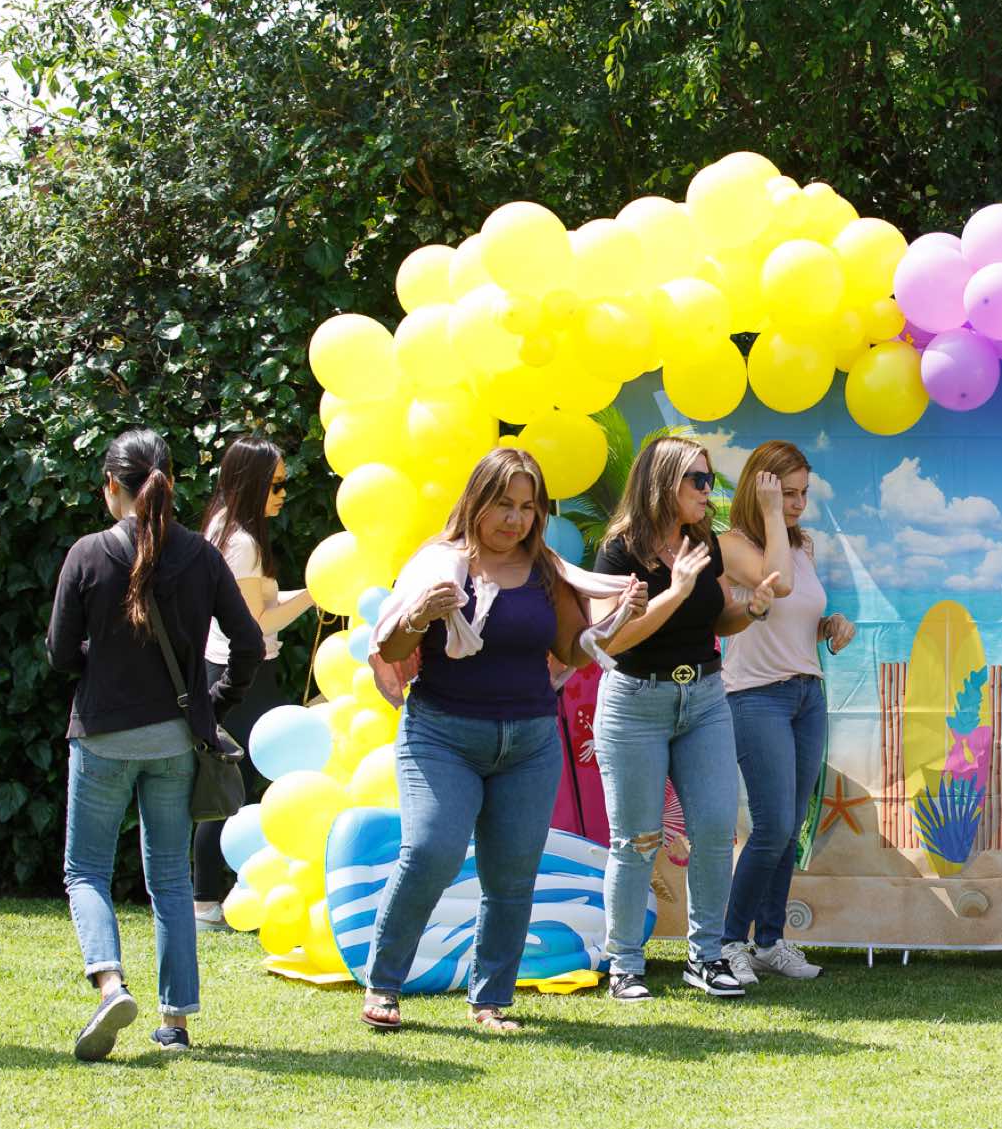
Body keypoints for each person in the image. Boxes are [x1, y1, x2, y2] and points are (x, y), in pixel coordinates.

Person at [360, 448, 642, 1034]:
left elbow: (571, 652)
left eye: (527, 507)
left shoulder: (547, 570)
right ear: (477, 501)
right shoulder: (439, 563)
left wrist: (616, 617)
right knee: (431, 851)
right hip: (441, 735)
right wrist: (420, 616)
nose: (515, 519)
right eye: (503, 505)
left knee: (511, 876)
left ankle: (490, 1000)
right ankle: (384, 983)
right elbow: (390, 649)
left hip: (530, 742)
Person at [46, 428, 263, 1059]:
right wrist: (211, 704)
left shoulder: (87, 554)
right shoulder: (200, 555)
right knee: (170, 878)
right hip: (174, 740)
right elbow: (248, 645)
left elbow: (60, 654)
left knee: (85, 869)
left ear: (112, 487)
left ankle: (111, 984)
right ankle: (176, 1023)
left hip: (103, 736)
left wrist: (98, 658)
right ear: (170, 481)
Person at [591, 437, 780, 1002]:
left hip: (703, 698)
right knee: (637, 839)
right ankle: (625, 965)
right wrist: (674, 592)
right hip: (635, 703)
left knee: (717, 829)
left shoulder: (703, 544)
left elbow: (718, 620)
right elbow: (611, 640)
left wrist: (751, 609)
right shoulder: (619, 552)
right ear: (663, 484)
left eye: (710, 479)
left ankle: (706, 958)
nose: (708, 491)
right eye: (697, 480)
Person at [719, 443, 856, 985]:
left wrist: (830, 625)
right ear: (761, 489)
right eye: (787, 493)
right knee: (772, 825)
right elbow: (777, 586)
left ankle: (770, 941)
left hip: (806, 696)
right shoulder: (731, 544)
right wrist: (771, 514)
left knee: (789, 827)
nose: (798, 504)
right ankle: (728, 943)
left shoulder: (804, 546)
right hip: (756, 697)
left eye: (803, 493)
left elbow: (795, 614)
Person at [191, 437, 315, 925]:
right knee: (248, 781)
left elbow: (257, 603)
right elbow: (256, 622)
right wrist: (315, 594)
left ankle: (212, 897)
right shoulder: (241, 543)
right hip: (241, 673)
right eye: (276, 484)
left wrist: (310, 594)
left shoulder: (226, 528)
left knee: (232, 782)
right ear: (252, 484)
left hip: (230, 669)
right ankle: (206, 900)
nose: (283, 494)